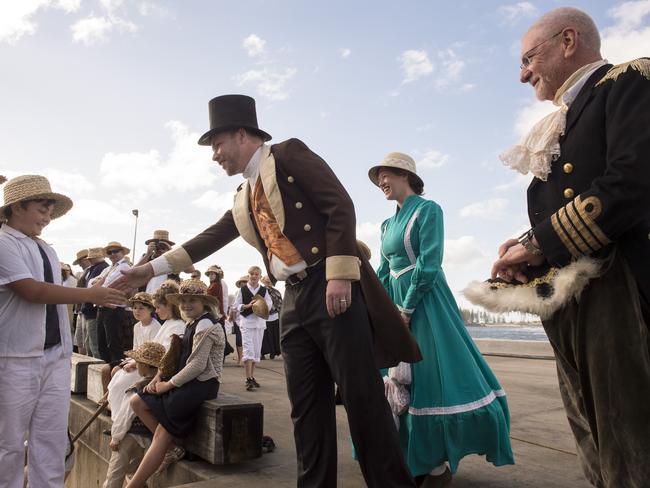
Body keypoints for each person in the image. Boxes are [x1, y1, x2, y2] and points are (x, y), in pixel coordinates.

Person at [113, 94, 421, 487]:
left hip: (329, 286)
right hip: (293, 299)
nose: (215, 156)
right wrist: (147, 270)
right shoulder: (242, 195)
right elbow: (209, 239)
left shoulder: (288, 153)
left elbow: (339, 204)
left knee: (363, 402)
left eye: (218, 145)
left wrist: (340, 273)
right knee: (306, 408)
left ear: (242, 135)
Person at [489, 8, 650, 488]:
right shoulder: (560, 124)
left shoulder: (628, 83)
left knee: (630, 438)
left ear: (567, 41)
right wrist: (526, 249)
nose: (522, 75)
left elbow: (632, 181)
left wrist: (540, 242)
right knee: (592, 433)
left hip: (620, 290)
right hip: (572, 296)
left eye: (527, 58)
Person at [368, 153, 515, 486]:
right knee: (392, 376)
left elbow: (429, 263)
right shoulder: (387, 224)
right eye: (377, 180)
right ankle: (409, 456)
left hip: (425, 300)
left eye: (384, 176)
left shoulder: (428, 209)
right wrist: (373, 303)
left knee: (430, 374)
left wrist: (406, 308)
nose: (380, 184)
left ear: (404, 174)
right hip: (394, 298)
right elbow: (381, 269)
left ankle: (434, 464)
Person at [0, 174, 125, 488]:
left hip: (54, 357)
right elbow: (32, 291)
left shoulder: (45, 248)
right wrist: (90, 295)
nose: (47, 219)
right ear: (16, 207)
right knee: (8, 443)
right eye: (42, 210)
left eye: (49, 213)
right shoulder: (3, 243)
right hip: (13, 358)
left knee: (51, 440)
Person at [127, 279, 225, 488]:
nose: (187, 305)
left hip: (201, 384)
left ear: (203, 303)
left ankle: (133, 484)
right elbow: (175, 356)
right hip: (184, 381)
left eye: (193, 301)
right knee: (137, 401)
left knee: (162, 432)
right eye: (183, 301)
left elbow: (198, 366)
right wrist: (158, 378)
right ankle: (172, 447)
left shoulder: (206, 325)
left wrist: (168, 385)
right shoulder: (191, 322)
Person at [103, 342, 166, 488]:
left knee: (114, 476)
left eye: (138, 363)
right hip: (150, 438)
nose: (136, 366)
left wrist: (116, 438)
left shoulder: (137, 388)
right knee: (137, 474)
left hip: (129, 436)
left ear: (144, 365)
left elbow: (125, 416)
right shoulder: (160, 385)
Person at [93, 241, 133, 366]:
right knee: (102, 343)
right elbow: (91, 284)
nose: (112, 254)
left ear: (122, 252)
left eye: (116, 251)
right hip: (103, 307)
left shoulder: (124, 267)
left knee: (113, 343)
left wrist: (98, 283)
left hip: (115, 308)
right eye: (110, 252)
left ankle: (115, 371)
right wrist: (98, 283)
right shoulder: (108, 269)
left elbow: (105, 284)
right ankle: (109, 370)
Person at [233, 265, 272, 390]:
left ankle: (252, 377)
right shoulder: (242, 290)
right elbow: (235, 306)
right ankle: (248, 378)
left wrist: (262, 307)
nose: (254, 276)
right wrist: (246, 306)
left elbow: (269, 304)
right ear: (248, 275)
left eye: (256, 274)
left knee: (256, 351)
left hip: (259, 324)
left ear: (260, 276)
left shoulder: (264, 291)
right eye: (251, 273)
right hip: (247, 323)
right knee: (248, 350)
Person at [80, 247, 110, 357]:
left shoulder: (101, 268)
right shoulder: (95, 268)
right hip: (89, 310)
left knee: (94, 345)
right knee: (89, 343)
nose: (90, 260)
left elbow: (94, 286)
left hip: (93, 311)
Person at [135, 230, 176, 294]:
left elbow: (190, 269)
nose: (160, 248)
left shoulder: (172, 258)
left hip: (166, 298)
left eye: (164, 245)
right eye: (157, 245)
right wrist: (148, 254)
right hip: (146, 298)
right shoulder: (146, 257)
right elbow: (134, 271)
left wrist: (172, 252)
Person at [151, 280, 186, 350]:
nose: (156, 311)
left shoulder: (177, 325)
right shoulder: (168, 322)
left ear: (169, 305)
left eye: (158, 307)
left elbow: (166, 353)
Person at [72, 249, 91, 355]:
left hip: (85, 309)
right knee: (80, 340)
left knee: (86, 340)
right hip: (81, 309)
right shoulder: (85, 272)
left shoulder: (91, 271)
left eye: (81, 260)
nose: (79, 263)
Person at [260, 275, 282, 359]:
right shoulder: (260, 290)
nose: (268, 281)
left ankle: (273, 352)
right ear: (263, 281)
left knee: (273, 335)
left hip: (275, 316)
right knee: (263, 336)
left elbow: (280, 303)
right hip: (264, 316)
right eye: (266, 280)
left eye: (269, 280)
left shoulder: (276, 291)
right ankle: (262, 353)